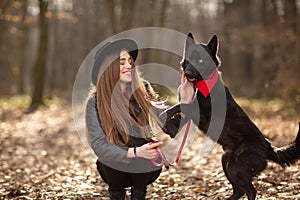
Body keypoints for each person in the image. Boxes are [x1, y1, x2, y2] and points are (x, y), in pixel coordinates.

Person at [85, 38, 194, 200]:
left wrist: (185, 102)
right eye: (121, 62)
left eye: (130, 61)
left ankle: (139, 194)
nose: (129, 66)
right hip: (114, 167)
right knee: (110, 161)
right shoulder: (95, 101)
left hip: (144, 166)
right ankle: (116, 194)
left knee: (144, 155)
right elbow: (100, 146)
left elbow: (170, 127)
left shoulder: (143, 90)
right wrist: (134, 152)